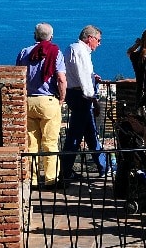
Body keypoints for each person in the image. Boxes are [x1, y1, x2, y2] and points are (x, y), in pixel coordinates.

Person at [16, 22, 67, 186]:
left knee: (31, 143)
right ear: (51, 37)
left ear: (35, 35)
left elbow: (17, 76)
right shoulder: (56, 52)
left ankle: (32, 179)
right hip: (49, 101)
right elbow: (61, 78)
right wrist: (62, 97)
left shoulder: (24, 52)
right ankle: (51, 179)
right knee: (50, 142)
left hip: (28, 101)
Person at [59, 25, 108, 182]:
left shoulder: (70, 48)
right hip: (82, 97)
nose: (99, 44)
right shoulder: (81, 51)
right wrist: (94, 100)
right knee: (75, 136)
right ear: (90, 38)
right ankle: (65, 171)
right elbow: (83, 77)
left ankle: (103, 167)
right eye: (98, 40)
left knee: (89, 133)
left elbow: (76, 73)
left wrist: (93, 77)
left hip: (73, 94)